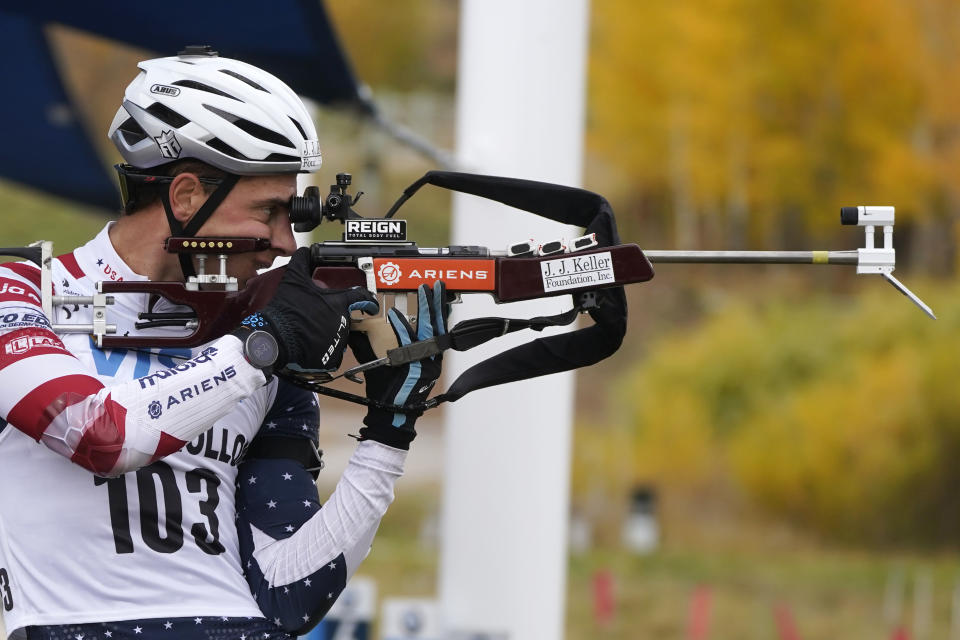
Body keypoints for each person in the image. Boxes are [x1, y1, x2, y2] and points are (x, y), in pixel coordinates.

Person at [0, 48, 446, 640]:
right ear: (185, 197)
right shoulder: (22, 291)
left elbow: (291, 592)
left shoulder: (253, 328)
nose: (285, 243)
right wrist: (259, 348)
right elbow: (99, 434)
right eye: (270, 210)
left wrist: (389, 432)